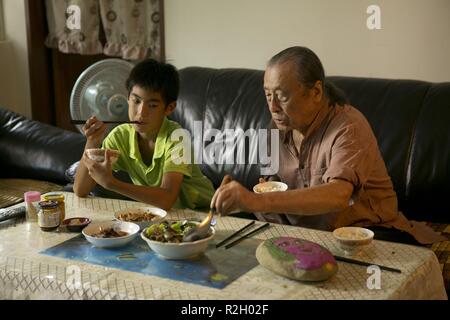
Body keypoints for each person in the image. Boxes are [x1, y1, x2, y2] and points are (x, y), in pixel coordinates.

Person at [210, 46, 445, 245]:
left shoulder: (348, 127)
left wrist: (255, 200)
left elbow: (338, 196)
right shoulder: (275, 126)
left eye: (281, 96)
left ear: (316, 92)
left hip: (368, 235)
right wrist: (245, 196)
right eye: (267, 95)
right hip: (307, 235)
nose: (272, 107)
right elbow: (272, 184)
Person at [73, 59, 215, 210]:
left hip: (205, 214)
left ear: (169, 108)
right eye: (136, 101)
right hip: (164, 217)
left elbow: (167, 198)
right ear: (127, 98)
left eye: (152, 105)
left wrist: (112, 184)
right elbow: (80, 190)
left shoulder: (177, 138)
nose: (141, 113)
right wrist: (92, 141)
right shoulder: (120, 136)